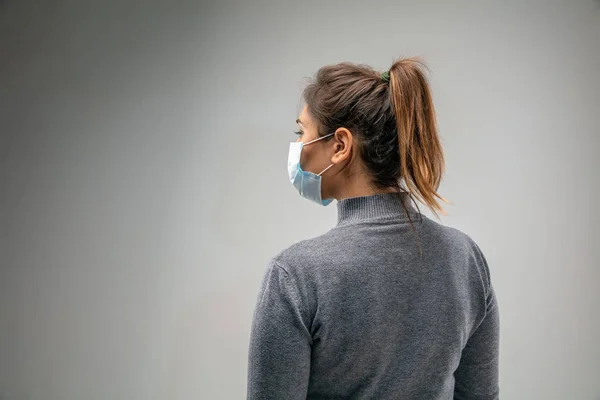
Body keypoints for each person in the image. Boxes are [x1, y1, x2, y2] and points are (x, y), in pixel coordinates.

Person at [246, 57, 500, 400]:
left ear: (340, 146)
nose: (297, 149)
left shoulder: (295, 275)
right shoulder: (465, 258)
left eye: (301, 133)